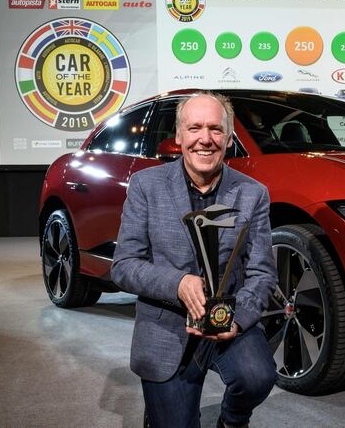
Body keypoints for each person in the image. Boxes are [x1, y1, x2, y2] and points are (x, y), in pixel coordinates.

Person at [111, 91, 278, 428]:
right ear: (179, 136)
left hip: (226, 318)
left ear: (229, 139)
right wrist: (178, 283)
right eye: (195, 128)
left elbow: (262, 272)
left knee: (257, 376)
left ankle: (232, 420)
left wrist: (238, 319)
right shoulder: (146, 185)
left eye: (216, 130)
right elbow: (124, 265)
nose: (205, 139)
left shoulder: (253, 193)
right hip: (166, 323)